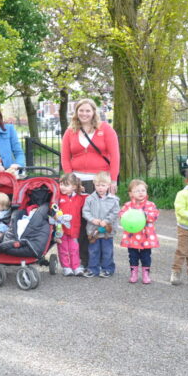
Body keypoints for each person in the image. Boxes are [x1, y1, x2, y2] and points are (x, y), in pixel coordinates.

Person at [61, 98, 120, 267]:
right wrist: (69, 180)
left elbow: (115, 156)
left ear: (94, 112)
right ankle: (85, 260)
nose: (84, 114)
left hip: (99, 181)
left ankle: (104, 261)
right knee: (79, 222)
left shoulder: (106, 129)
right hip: (78, 182)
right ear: (76, 112)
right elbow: (65, 157)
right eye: (81, 110)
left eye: (88, 110)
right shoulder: (70, 131)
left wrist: (113, 180)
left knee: (100, 220)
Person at [118, 179, 159, 285]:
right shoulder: (128, 206)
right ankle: (134, 273)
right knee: (132, 256)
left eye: (143, 190)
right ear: (131, 193)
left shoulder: (150, 205)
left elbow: (154, 216)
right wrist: (127, 215)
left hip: (146, 237)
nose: (141, 193)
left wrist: (144, 215)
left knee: (146, 256)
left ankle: (146, 274)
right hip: (132, 237)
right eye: (137, 191)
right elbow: (121, 214)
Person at [82, 172, 120, 278]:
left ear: (108, 185)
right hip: (94, 231)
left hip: (107, 231)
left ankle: (108, 269)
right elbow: (85, 212)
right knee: (93, 251)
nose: (100, 188)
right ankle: (93, 269)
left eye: (103, 185)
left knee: (107, 251)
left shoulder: (114, 200)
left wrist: (106, 221)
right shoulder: (89, 199)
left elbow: (115, 212)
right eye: (98, 185)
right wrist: (92, 219)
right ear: (94, 185)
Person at [57, 174, 87, 276]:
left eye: (66, 185)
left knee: (74, 249)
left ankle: (76, 266)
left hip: (74, 229)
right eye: (61, 184)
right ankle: (66, 267)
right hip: (61, 229)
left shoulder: (79, 198)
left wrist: (80, 189)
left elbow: (90, 198)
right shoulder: (58, 196)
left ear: (74, 186)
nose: (62, 187)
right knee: (63, 249)